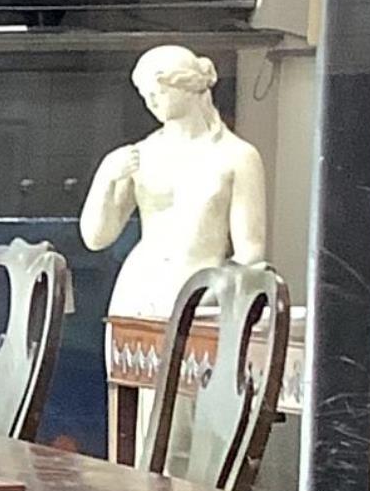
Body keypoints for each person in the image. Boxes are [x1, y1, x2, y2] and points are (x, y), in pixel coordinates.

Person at [79, 43, 267, 327]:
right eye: (145, 95)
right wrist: (105, 177)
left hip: (202, 298)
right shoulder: (140, 154)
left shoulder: (238, 157)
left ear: (187, 87)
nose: (150, 102)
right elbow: (96, 238)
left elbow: (251, 251)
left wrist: (210, 296)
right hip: (137, 292)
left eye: (158, 92)